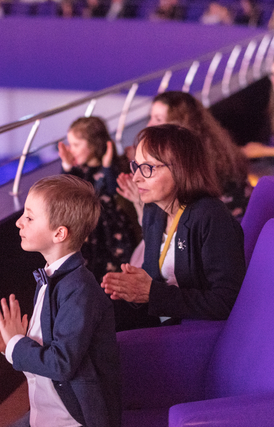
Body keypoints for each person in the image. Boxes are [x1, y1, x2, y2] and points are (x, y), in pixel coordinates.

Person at [0, 174, 120, 427]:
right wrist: (8, 343)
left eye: (29, 218)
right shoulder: (54, 279)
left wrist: (16, 343)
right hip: (46, 413)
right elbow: (50, 345)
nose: (19, 222)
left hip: (72, 420)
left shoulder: (80, 290)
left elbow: (61, 363)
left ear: (59, 233)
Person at [102, 125, 246, 331]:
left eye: (148, 168)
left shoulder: (211, 216)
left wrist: (151, 293)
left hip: (196, 329)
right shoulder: (153, 210)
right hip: (161, 318)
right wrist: (134, 287)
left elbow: (226, 301)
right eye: (136, 166)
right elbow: (155, 278)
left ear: (180, 169)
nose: (136, 177)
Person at [119, 92, 249, 222]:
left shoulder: (195, 163)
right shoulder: (215, 151)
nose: (149, 125)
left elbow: (176, 226)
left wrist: (141, 200)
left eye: (158, 119)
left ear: (179, 126)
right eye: (151, 118)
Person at [58, 117, 136, 282]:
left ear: (94, 144)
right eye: (70, 144)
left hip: (110, 232)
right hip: (90, 232)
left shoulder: (112, 167)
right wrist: (66, 166)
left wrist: (107, 166)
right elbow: (67, 190)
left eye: (76, 145)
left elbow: (113, 190)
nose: (71, 150)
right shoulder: (79, 170)